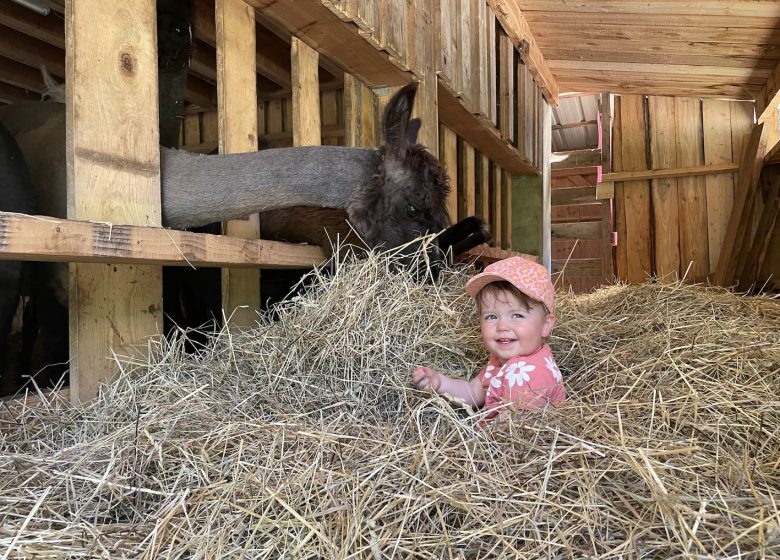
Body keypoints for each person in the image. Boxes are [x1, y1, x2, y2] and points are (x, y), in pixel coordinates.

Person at [412, 256, 565, 423]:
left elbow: (516, 433)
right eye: (491, 316)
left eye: (517, 315)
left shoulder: (532, 375)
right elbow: (473, 392)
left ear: (545, 325)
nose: (502, 326)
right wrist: (440, 383)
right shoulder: (504, 362)